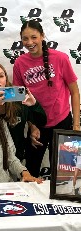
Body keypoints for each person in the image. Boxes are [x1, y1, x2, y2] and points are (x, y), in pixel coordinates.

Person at [13, 20, 80, 178]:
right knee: (31, 172)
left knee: (67, 176)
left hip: (63, 122)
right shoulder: (19, 64)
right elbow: (20, 99)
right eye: (25, 39)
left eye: (34, 37)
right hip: (37, 125)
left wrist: (76, 125)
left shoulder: (61, 58)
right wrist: (31, 126)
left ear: (42, 36)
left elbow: (75, 92)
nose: (29, 42)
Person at [0, 63, 47, 161]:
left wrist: (34, 105)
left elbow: (42, 121)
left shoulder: (18, 99)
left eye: (1, 76)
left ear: (6, 79)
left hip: (16, 157)